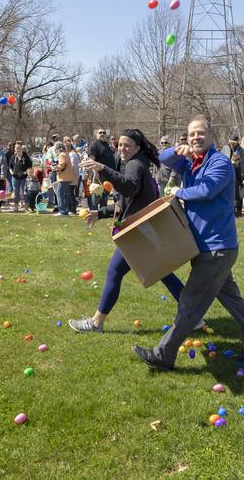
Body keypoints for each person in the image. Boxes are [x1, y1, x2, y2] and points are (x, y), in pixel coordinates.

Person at [131, 117, 244, 370]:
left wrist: (177, 192)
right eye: (191, 134)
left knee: (190, 304)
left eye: (200, 133)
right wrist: (177, 148)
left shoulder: (220, 163)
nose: (195, 138)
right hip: (208, 247)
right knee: (232, 300)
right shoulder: (191, 162)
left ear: (211, 136)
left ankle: (163, 355)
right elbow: (163, 158)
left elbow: (207, 190)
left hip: (216, 248)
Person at [68, 128, 190, 334]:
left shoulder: (134, 164)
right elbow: (128, 201)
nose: (122, 149)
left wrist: (102, 168)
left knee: (114, 271)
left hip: (137, 232)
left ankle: (96, 323)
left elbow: (129, 188)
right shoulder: (137, 162)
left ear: (137, 147)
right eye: (120, 145)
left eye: (127, 145)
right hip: (143, 228)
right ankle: (193, 316)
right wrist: (102, 213)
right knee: (164, 273)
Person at [87, 128, 116, 210]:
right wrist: (95, 173)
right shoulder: (94, 145)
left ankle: (103, 212)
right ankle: (93, 212)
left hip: (107, 175)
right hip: (98, 175)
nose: (102, 134)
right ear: (96, 134)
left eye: (104, 132)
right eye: (100, 133)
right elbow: (91, 160)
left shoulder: (106, 144)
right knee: (96, 195)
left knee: (105, 196)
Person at [53, 141, 76, 216]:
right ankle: (65, 210)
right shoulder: (66, 153)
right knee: (65, 194)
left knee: (60, 194)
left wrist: (54, 168)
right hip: (68, 177)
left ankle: (62, 211)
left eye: (56, 148)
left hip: (63, 178)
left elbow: (62, 165)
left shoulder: (61, 155)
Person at [8, 142, 32, 212]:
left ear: (22, 148)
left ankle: (26, 206)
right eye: (16, 148)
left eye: (19, 148)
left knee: (24, 192)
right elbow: (10, 167)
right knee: (16, 192)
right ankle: (16, 206)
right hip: (15, 178)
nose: (18, 149)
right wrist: (11, 172)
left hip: (24, 177)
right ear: (14, 149)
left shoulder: (26, 156)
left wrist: (26, 171)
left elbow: (30, 166)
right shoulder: (13, 157)